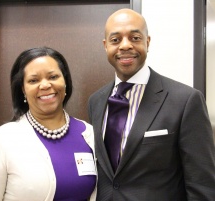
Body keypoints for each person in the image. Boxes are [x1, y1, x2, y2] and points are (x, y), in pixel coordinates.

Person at [88, 8, 215, 201]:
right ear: (106, 46)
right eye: (115, 40)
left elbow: (202, 184)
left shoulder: (185, 100)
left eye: (135, 38)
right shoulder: (95, 101)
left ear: (147, 42)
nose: (125, 46)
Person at [0, 47, 97, 201]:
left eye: (53, 76)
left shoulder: (89, 134)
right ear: (23, 90)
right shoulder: (3, 140)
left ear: (65, 82)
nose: (45, 85)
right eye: (33, 80)